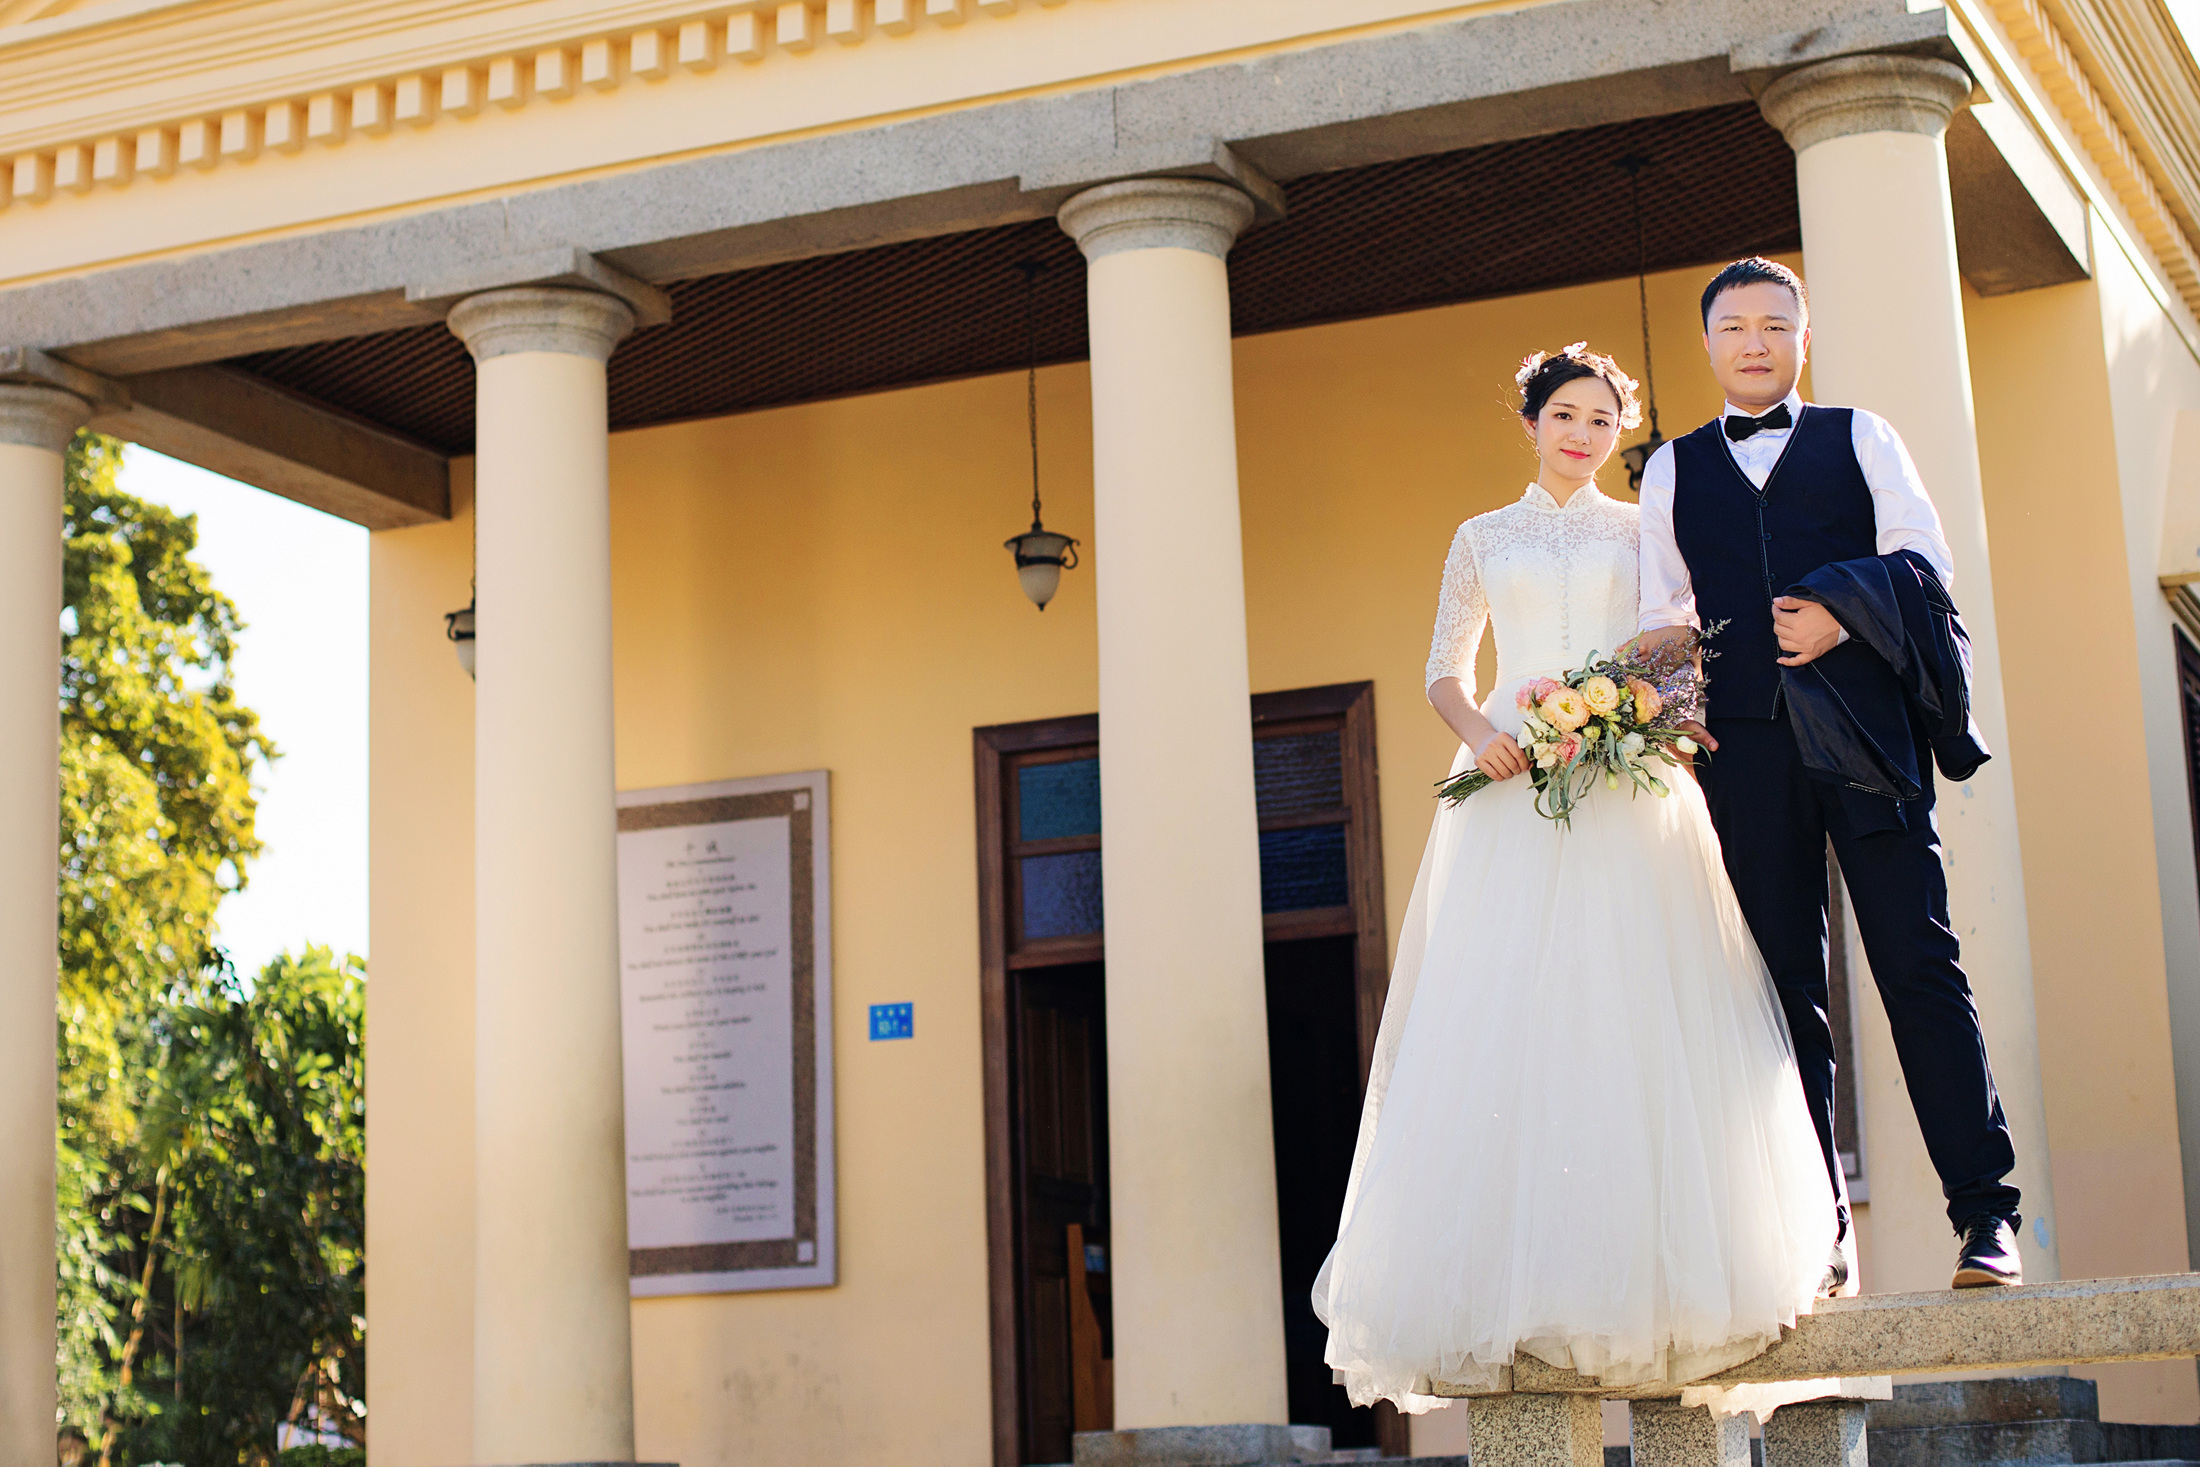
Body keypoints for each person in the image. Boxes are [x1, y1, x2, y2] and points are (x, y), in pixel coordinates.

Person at [1311, 344, 1835, 1415]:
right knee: (1506, 1012)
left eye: (1602, 420)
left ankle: (1659, 1271)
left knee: (1634, 1001)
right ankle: (1523, 1281)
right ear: (1530, 422)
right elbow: (1444, 669)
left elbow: (1673, 641)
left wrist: (1642, 716)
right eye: (1565, 415)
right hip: (1509, 781)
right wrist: (1484, 737)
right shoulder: (1480, 536)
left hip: (1622, 775)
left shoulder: (1642, 527)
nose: (1583, 435)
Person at [1636, 256, 2023, 1293]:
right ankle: (1817, 1233)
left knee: (1919, 966)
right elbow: (1660, 614)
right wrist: (1673, 730)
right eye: (1733, 327)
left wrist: (1842, 612)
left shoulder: (1863, 436)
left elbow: (1925, 563)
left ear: (1803, 339)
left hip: (1866, 736)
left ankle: (1986, 1216)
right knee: (1778, 992)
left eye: (1774, 324)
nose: (1754, 343)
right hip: (1743, 753)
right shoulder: (1669, 469)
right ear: (1708, 345)